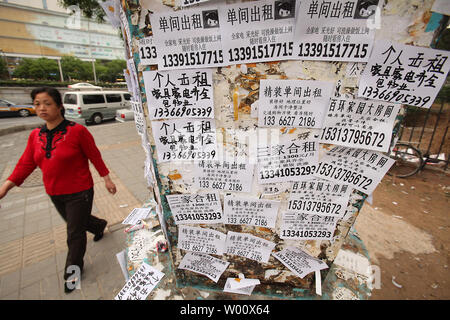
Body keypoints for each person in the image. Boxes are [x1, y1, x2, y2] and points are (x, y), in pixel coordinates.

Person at [0, 87, 117, 293]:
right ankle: (99, 226)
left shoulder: (77, 131)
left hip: (80, 191)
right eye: (37, 104)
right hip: (55, 192)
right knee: (77, 223)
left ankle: (72, 274)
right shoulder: (35, 136)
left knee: (74, 233)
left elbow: (95, 156)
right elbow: (26, 163)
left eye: (47, 103)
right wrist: (7, 186)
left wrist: (106, 179)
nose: (42, 108)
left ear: (59, 106)